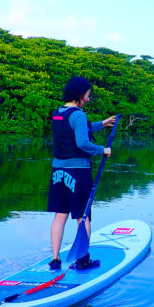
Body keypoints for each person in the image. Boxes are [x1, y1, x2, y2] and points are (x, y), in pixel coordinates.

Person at [47, 76, 117, 270]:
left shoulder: (58, 113)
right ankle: (83, 260)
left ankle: (55, 260)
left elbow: (78, 128)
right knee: (82, 216)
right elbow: (83, 143)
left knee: (60, 215)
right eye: (87, 95)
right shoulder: (78, 115)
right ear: (80, 95)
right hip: (77, 172)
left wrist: (101, 124)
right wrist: (102, 150)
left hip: (58, 172)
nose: (88, 99)